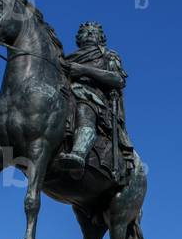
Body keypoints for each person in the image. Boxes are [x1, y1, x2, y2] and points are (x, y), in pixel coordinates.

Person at [55, 22, 134, 182]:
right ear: (79, 39)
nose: (90, 34)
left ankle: (79, 153)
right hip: (68, 94)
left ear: (101, 38)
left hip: (95, 100)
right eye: (85, 32)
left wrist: (85, 70)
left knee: (84, 107)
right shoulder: (68, 59)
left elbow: (118, 80)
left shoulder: (108, 56)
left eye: (94, 32)